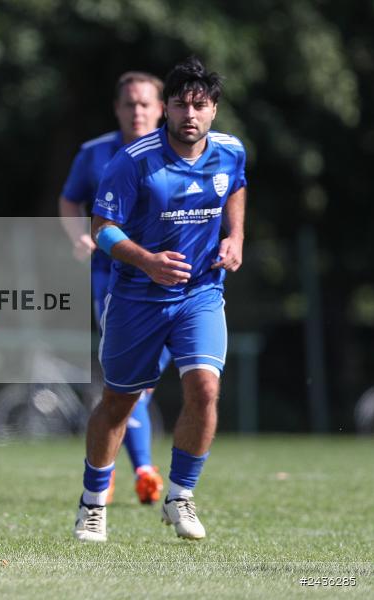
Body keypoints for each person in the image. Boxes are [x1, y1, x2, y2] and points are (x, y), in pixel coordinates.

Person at [73, 56, 246, 542]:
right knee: (119, 404)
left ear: (213, 110)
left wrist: (235, 238)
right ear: (167, 109)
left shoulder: (231, 151)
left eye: (201, 105)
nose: (190, 114)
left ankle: (180, 495)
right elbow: (102, 230)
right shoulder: (132, 161)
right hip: (136, 298)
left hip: (202, 293)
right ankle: (92, 503)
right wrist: (147, 260)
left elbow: (237, 187)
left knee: (205, 390)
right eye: (181, 104)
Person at [59, 71, 167, 505]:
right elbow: (70, 199)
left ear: (161, 109)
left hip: (174, 284)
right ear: (117, 108)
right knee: (133, 377)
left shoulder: (179, 153)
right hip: (114, 281)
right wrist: (77, 235)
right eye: (130, 104)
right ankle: (142, 469)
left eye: (145, 103)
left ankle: (130, 462)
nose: (137, 111)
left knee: (146, 380)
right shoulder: (95, 153)